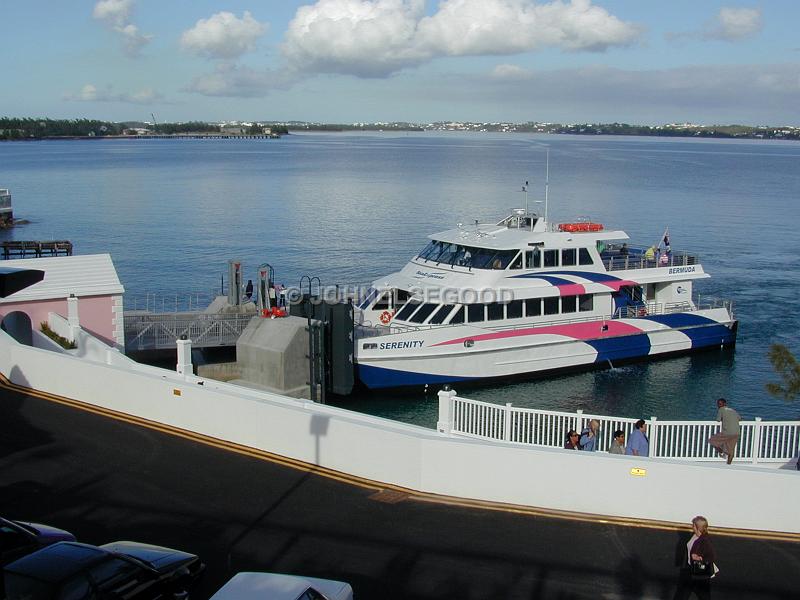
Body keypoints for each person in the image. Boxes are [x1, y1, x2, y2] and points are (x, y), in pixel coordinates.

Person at [674, 516, 718, 600]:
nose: (692, 527)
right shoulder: (694, 536)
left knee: (703, 596)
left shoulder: (705, 540)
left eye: (693, 525)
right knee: (682, 595)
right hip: (690, 570)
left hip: (700, 573)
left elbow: (711, 556)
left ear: (698, 527)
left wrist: (700, 558)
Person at [708, 398, 741, 464]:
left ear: (724, 404)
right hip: (736, 432)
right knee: (731, 450)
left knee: (712, 440)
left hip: (727, 432)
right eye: (718, 404)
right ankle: (728, 465)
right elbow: (739, 418)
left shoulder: (721, 410)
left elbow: (718, 420)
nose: (718, 405)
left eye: (720, 404)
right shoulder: (732, 410)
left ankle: (722, 451)